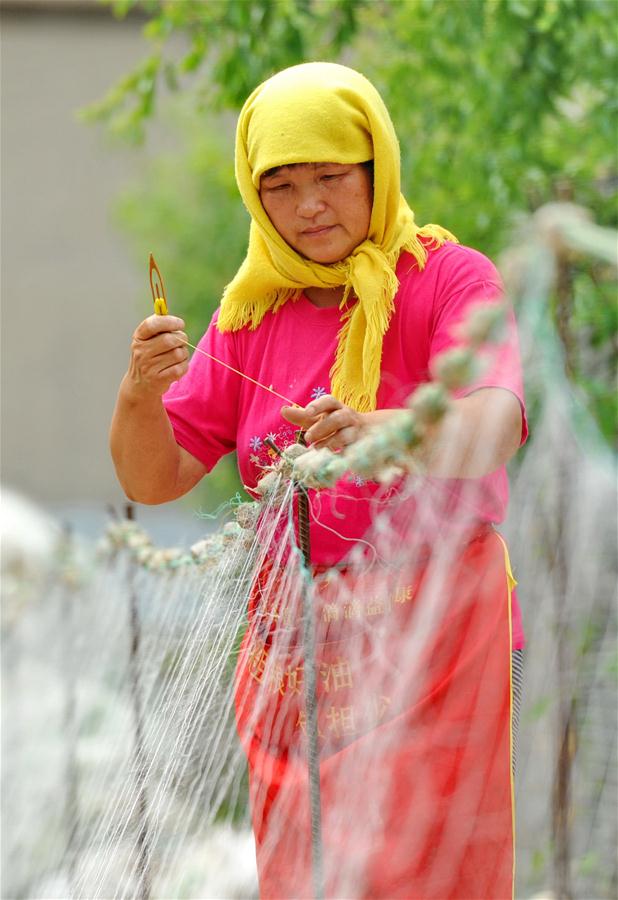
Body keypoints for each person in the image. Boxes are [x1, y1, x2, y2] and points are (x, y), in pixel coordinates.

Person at [111, 62, 527, 899]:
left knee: (426, 871)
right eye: (281, 185)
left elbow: (496, 423)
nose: (308, 205)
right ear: (254, 194)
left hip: (438, 636)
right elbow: (153, 478)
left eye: (332, 176)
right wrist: (139, 394)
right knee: (308, 876)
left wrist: (387, 433)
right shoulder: (249, 313)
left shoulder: (449, 279)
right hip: (296, 653)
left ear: (377, 167)